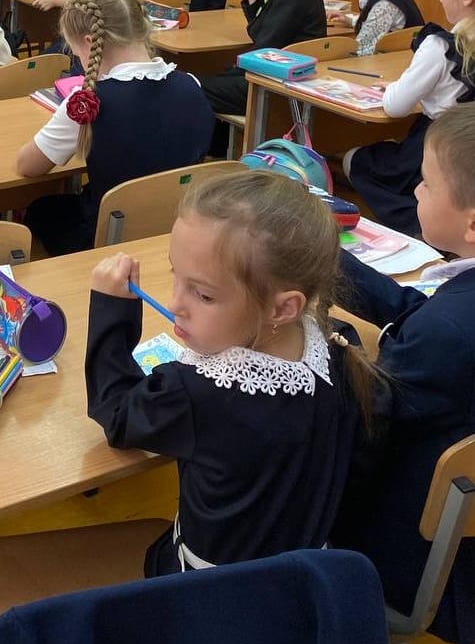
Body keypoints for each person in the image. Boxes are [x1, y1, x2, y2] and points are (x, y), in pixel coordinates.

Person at [86, 172, 371, 575]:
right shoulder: (338, 347)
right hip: (306, 578)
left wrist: (111, 311)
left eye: (203, 294)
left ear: (283, 308)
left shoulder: (195, 392)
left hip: (211, 592)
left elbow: (117, 415)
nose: (175, 304)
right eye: (174, 275)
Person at [334, 106, 475, 644]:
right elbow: (425, 318)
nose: (414, 189)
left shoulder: (447, 335)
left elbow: (364, 426)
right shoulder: (453, 317)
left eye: (427, 182)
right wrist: (334, 261)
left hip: (420, 560)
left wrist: (334, 343)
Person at [17, 0, 213, 254]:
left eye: (75, 52)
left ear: (89, 43)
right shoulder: (192, 85)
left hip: (108, 239)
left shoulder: (87, 102)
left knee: (40, 209)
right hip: (179, 231)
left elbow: (28, 165)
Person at [345, 0, 475, 234]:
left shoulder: (440, 46)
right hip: (467, 151)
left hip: (431, 147)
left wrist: (396, 88)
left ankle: (414, 225)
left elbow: (395, 106)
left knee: (354, 159)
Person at [198, 0, 329, 154]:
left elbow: (263, 44)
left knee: (190, 85)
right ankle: (217, 148)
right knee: (207, 78)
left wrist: (232, 71)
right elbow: (265, 31)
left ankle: (208, 151)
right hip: (274, 78)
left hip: (271, 87)